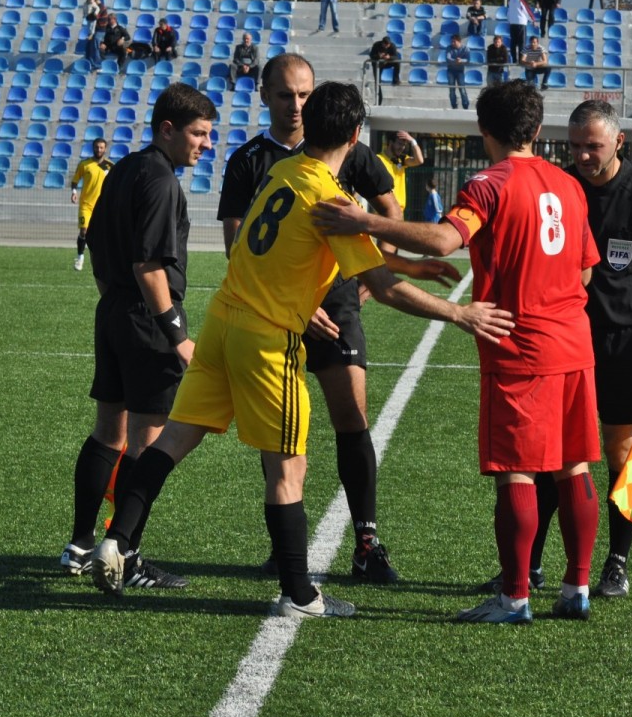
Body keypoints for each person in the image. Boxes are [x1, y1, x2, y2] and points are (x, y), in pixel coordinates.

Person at [89, 81, 514, 618]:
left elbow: (306, 244)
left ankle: (119, 540)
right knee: (289, 467)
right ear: (356, 136)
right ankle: (299, 594)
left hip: (223, 321)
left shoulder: (283, 171)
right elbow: (382, 288)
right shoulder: (332, 199)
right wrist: (460, 313)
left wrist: (408, 266)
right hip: (266, 339)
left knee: (173, 439)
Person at [313, 80, 602, 625]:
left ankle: (514, 598)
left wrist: (365, 221)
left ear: (483, 129)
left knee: (517, 472)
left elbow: (446, 240)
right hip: (573, 340)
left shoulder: (490, 184)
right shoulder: (569, 185)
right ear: (538, 129)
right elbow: (586, 270)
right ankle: (577, 588)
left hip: (519, 343)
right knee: (574, 465)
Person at [217, 53, 462, 584]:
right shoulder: (250, 160)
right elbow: (238, 247)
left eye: (304, 94)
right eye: (286, 94)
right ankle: (285, 550)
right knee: (280, 433)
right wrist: (297, 306)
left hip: (337, 305)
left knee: (351, 418)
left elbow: (388, 213)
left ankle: (366, 543)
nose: (296, 104)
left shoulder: (350, 152)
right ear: (264, 96)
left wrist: (377, 272)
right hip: (276, 312)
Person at [479, 99, 632, 599]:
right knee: (546, 457)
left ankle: (616, 564)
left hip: (627, 346)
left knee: (623, 456)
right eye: (574, 145)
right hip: (561, 341)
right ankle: (530, 566)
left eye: (592, 146)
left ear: (618, 142)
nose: (581, 155)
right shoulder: (560, 187)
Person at [60, 83, 217, 587]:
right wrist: (177, 336)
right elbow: (148, 266)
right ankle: (124, 555)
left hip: (112, 310)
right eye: (198, 133)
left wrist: (115, 307)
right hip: (149, 320)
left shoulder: (123, 169)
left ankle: (79, 546)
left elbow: (100, 252)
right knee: (149, 442)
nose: (206, 144)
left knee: (108, 431)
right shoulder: (161, 181)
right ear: (167, 129)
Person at [69, 137, 114, 271]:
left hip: (102, 206)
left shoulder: (110, 166)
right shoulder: (85, 164)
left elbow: (115, 183)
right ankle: (80, 257)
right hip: (86, 205)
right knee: (84, 231)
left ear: (105, 149)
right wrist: (74, 192)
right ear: (93, 148)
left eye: (101, 147)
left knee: (102, 234)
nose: (99, 150)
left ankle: (102, 259)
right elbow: (75, 180)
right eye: (96, 147)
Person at [377, 131, 423, 213]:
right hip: (385, 210)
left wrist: (412, 141)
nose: (402, 147)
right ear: (390, 142)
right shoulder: (378, 159)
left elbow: (419, 160)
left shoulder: (402, 160)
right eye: (399, 144)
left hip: (399, 211)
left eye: (404, 145)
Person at [506, 0, 537, 64]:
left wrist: (509, 20)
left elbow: (509, 11)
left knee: (513, 42)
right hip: (521, 23)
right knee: (521, 43)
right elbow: (527, 9)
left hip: (512, 23)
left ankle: (514, 59)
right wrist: (533, 19)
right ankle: (520, 60)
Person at [369, 34, 401, 105]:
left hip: (386, 63)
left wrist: (389, 57)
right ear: (382, 43)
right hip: (377, 65)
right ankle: (379, 101)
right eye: (385, 45)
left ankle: (396, 80)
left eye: (388, 45)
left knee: (397, 62)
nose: (386, 46)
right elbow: (371, 55)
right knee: (377, 82)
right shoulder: (376, 45)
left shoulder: (392, 46)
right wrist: (379, 56)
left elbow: (396, 57)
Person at [446, 34, 470, 110]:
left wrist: (461, 60)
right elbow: (448, 58)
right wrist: (456, 61)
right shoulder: (449, 48)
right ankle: (454, 105)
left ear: (459, 41)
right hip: (451, 71)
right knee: (452, 90)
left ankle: (465, 105)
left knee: (462, 89)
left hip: (460, 71)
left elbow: (468, 60)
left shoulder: (465, 48)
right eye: (452, 41)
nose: (452, 43)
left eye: (454, 41)